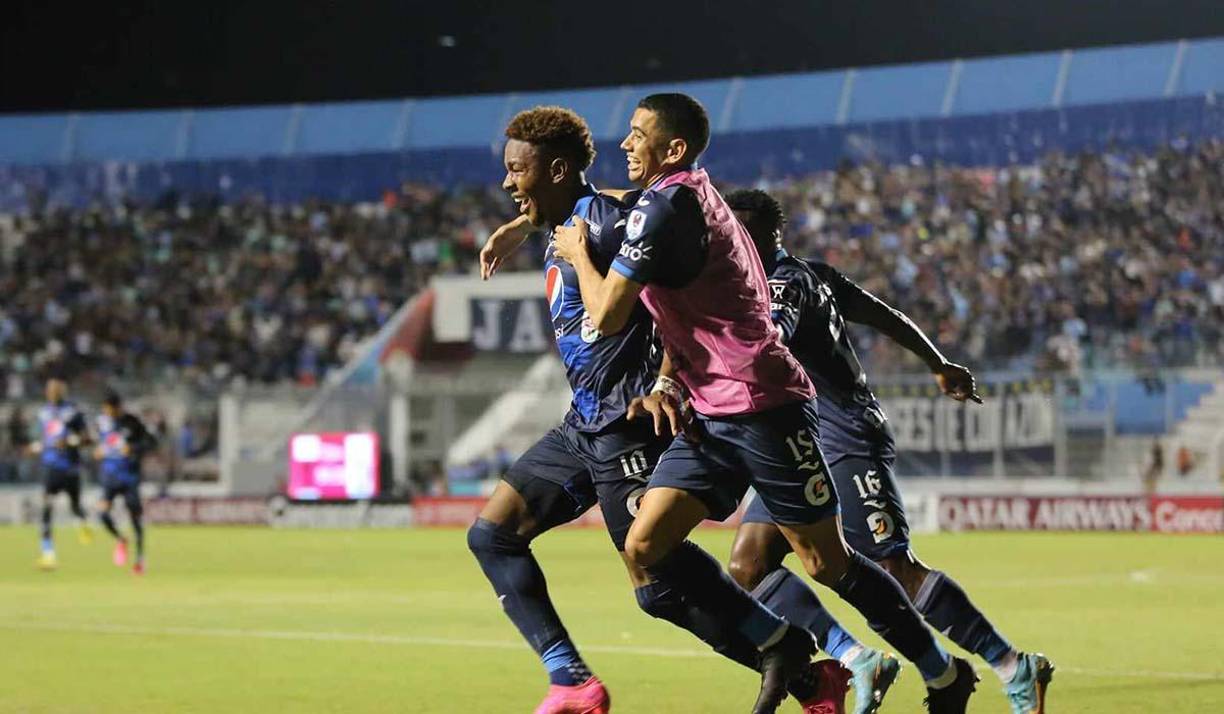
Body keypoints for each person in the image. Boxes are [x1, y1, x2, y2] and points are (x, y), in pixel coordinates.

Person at [551, 93, 977, 714]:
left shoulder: (668, 207)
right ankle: (783, 645)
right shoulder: (684, 195)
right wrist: (523, 225)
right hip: (712, 411)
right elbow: (614, 205)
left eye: (638, 134)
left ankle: (944, 675)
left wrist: (579, 256)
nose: (625, 144)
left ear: (672, 150)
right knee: (644, 546)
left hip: (763, 407)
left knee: (827, 563)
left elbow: (607, 312)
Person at [476, 106, 850, 714]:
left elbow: (678, 295)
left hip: (629, 424)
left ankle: (802, 664)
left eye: (518, 171)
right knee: (492, 534)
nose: (507, 182)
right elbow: (586, 204)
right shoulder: (567, 221)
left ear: (556, 169)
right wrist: (519, 225)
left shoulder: (606, 223)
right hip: (585, 422)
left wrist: (664, 381)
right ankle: (572, 681)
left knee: (655, 583)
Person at [724, 188, 1055, 714]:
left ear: (766, 237)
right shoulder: (819, 276)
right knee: (749, 565)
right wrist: (938, 362)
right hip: (799, 444)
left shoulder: (782, 286)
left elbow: (767, 347)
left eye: (740, 232)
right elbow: (884, 314)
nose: (732, 239)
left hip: (844, 438)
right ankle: (854, 655)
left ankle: (1013, 665)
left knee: (893, 565)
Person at [31, 377, 93, 569]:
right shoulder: (43, 413)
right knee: (46, 508)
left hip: (70, 467)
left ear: (62, 391)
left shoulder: (73, 412)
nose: (52, 392)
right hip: (51, 467)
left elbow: (86, 439)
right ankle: (48, 554)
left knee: (75, 506)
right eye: (50, 389)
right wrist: (37, 446)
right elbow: (44, 436)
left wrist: (68, 441)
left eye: (56, 389)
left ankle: (83, 523)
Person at [94, 391, 157, 574]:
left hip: (130, 477)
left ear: (117, 407)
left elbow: (151, 442)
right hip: (110, 476)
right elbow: (99, 442)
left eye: (109, 409)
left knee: (135, 518)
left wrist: (134, 448)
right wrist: (98, 450)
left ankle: (139, 561)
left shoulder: (132, 422)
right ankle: (121, 539)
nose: (107, 413)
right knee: (102, 514)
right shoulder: (101, 422)